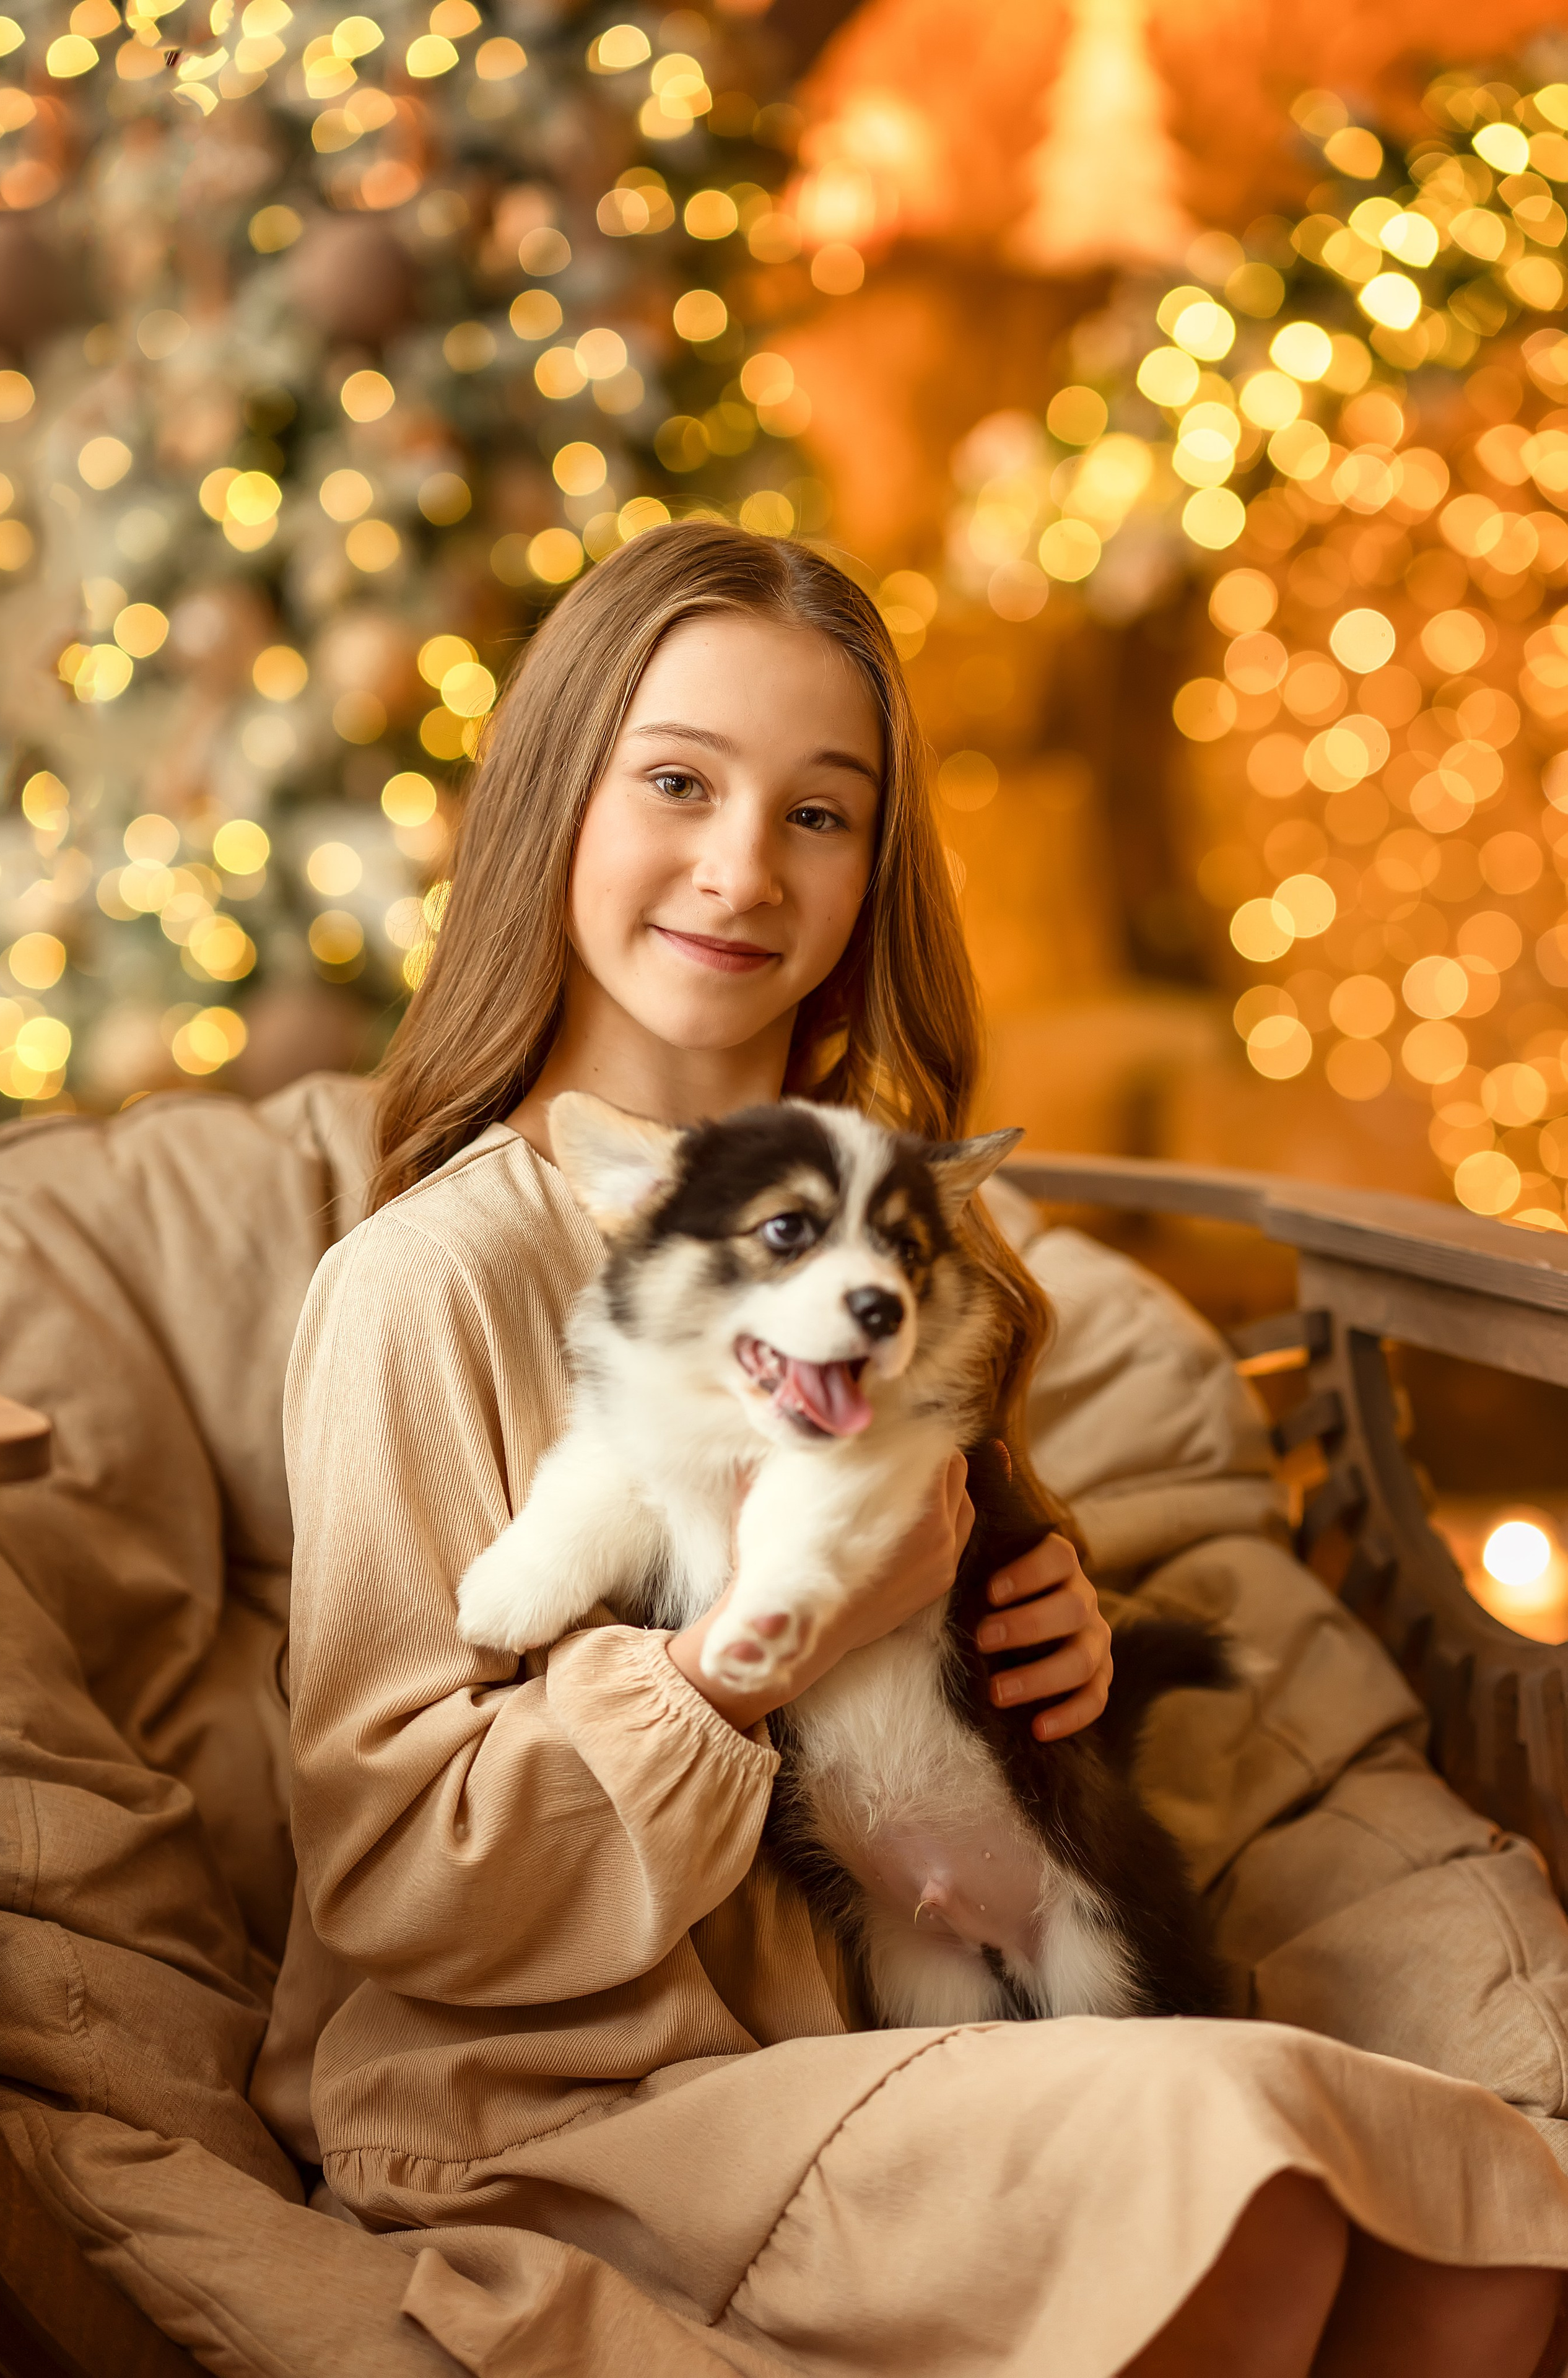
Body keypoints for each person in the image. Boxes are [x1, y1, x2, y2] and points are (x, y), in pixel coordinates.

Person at [277, 521, 1568, 2376]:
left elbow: (922, 1653)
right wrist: (737, 1668)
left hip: (904, 2030)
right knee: (1254, 2184)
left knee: (1485, 2209)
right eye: (679, 782)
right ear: (555, 801)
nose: (743, 864)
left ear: (876, 864)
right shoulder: (424, 1287)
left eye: (822, 812)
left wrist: (1052, 1639)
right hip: (571, 2097)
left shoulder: (905, 1257)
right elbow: (402, 1876)